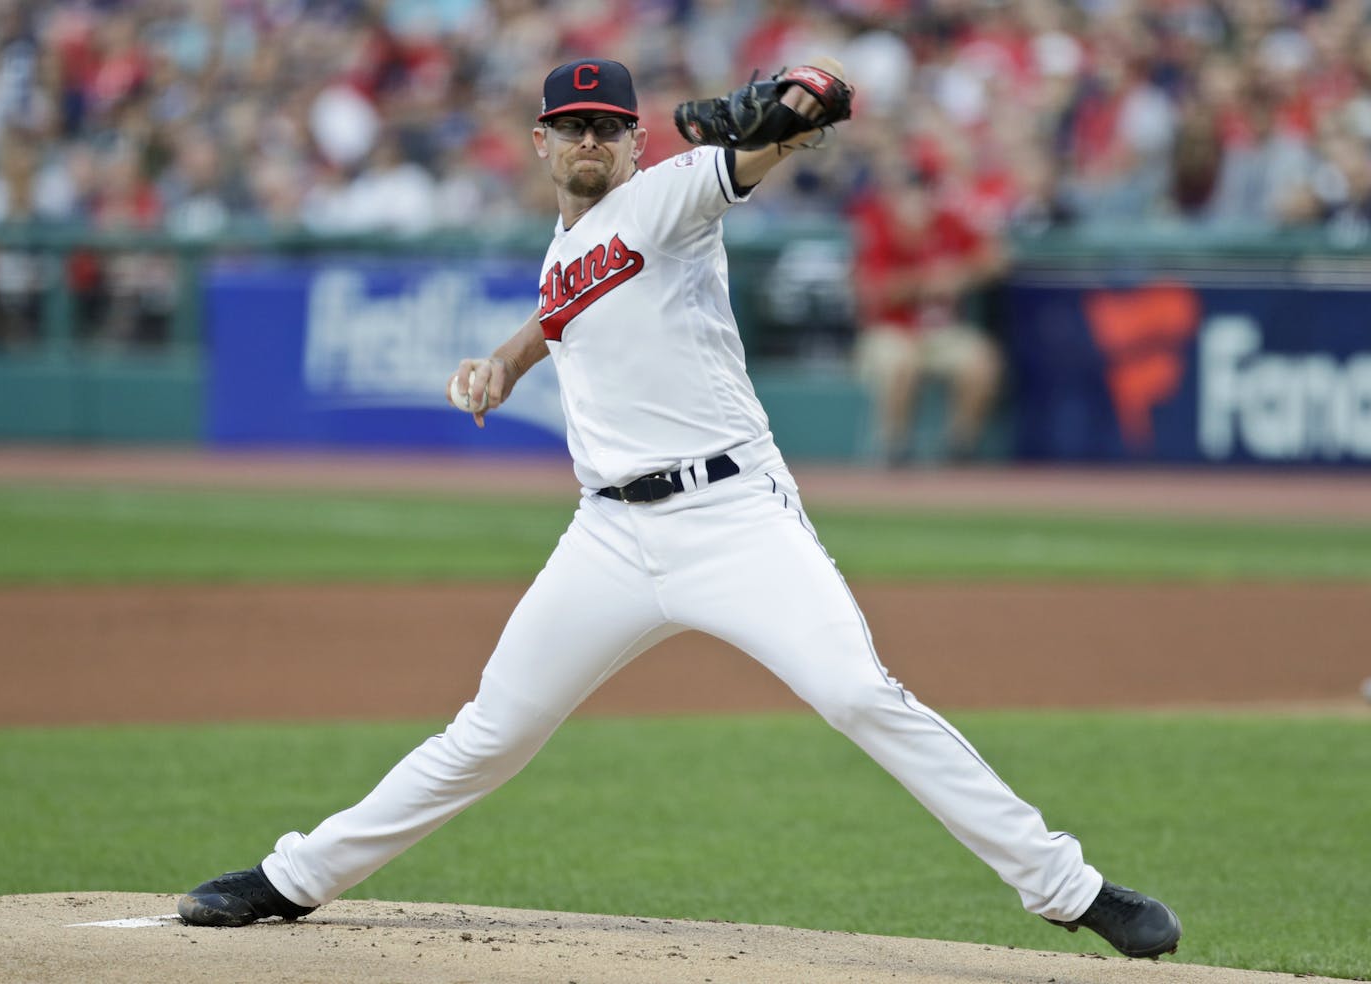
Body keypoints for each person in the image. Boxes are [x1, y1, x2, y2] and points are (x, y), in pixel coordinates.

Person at [176, 57, 1182, 961]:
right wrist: (504, 362)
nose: (589, 140)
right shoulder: (565, 240)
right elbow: (561, 306)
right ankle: (293, 879)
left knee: (860, 696)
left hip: (732, 516)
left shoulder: (670, 195)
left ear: (636, 140)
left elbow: (802, 109)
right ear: (540, 142)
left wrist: (784, 106)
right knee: (490, 731)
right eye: (571, 126)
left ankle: (1067, 889)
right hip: (607, 537)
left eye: (608, 125)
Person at [847, 163, 1006, 464]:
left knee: (981, 361)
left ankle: (960, 448)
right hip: (889, 330)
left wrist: (961, 274)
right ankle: (894, 447)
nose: (917, 202)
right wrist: (925, 281)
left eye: (923, 193)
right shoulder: (878, 225)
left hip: (939, 332)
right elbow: (874, 291)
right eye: (909, 194)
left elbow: (997, 259)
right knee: (901, 365)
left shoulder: (946, 222)